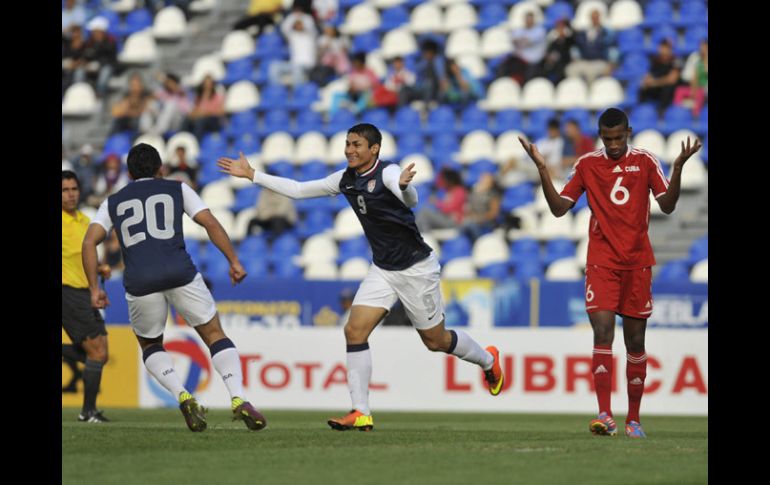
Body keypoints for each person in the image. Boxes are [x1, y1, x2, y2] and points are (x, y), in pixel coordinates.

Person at [218, 123, 504, 431]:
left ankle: (488, 361)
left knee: (435, 341)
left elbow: (409, 199)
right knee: (354, 331)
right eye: (347, 144)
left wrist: (407, 187)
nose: (349, 150)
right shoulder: (345, 179)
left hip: (416, 269)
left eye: (356, 145)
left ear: (374, 149)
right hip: (382, 269)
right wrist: (253, 175)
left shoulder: (390, 173)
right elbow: (300, 190)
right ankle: (360, 411)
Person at [517, 108, 701, 439]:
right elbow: (560, 209)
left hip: (637, 263)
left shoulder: (645, 161)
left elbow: (669, 205)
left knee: (634, 342)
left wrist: (677, 169)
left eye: (619, 137)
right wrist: (543, 170)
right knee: (602, 333)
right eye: (608, 138)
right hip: (602, 261)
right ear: (600, 136)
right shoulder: (587, 164)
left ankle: (633, 420)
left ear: (628, 132)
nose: (614, 144)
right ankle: (605, 414)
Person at [81, 144, 267, 432]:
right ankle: (238, 397)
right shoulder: (177, 188)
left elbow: (89, 242)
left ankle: (182, 395)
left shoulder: (114, 201)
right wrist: (233, 261)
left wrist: (94, 289)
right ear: (161, 169)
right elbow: (209, 222)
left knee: (151, 344)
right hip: (180, 272)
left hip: (140, 280)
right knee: (214, 333)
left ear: (129, 174)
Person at [62, 171, 111, 422]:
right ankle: (88, 412)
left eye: (73, 189)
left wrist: (100, 269)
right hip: (67, 291)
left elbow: (87, 257)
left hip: (88, 291)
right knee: (96, 352)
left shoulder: (84, 220)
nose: (70, 194)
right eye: (64, 190)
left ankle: (88, 411)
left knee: (102, 351)